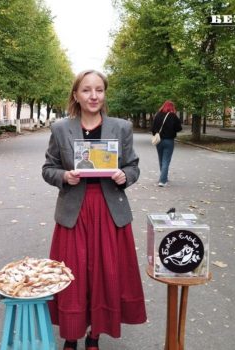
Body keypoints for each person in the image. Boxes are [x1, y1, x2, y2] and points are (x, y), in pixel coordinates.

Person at [42, 70, 147, 350]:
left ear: (104, 94)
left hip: (109, 211)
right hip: (74, 212)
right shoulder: (61, 128)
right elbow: (48, 168)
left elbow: (133, 166)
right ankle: (71, 335)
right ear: (76, 95)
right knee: (73, 275)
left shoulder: (121, 128)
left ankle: (94, 335)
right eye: (87, 90)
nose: (93, 96)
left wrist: (126, 177)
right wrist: (64, 177)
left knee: (104, 274)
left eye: (99, 90)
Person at [151, 100, 182, 187]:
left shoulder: (158, 115)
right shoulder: (173, 116)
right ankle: (163, 180)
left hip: (159, 141)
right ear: (172, 107)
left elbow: (153, 128)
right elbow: (179, 128)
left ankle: (163, 177)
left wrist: (156, 134)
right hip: (169, 141)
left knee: (161, 159)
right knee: (166, 160)